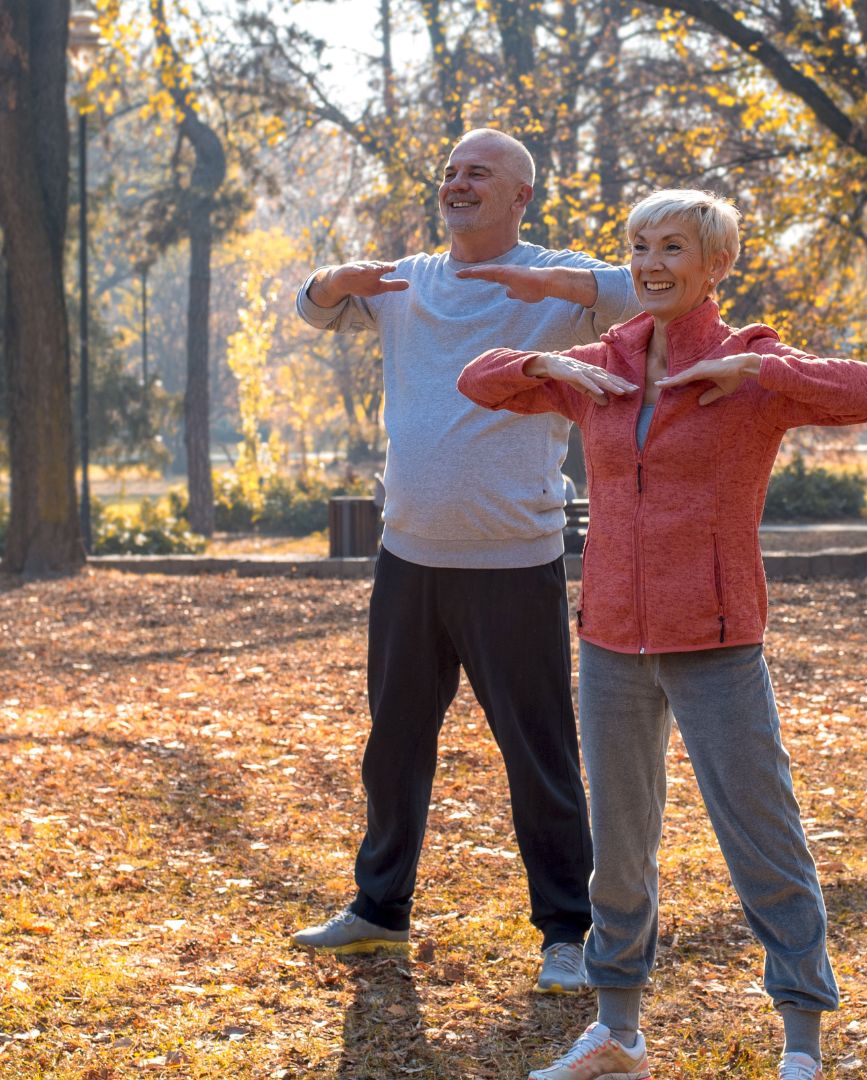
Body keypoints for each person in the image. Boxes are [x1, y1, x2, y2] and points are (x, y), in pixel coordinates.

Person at [458, 189, 867, 1080]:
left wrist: (760, 378)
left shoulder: (749, 365)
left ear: (714, 265)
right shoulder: (603, 365)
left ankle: (802, 1038)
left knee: (762, 837)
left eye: (672, 248)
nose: (652, 263)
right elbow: (479, 378)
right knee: (618, 846)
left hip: (717, 640)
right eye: (640, 247)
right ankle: (618, 1032)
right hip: (612, 640)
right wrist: (553, 369)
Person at [287, 128, 640, 995]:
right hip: (408, 557)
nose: (457, 182)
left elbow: (654, 291)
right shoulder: (408, 281)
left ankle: (568, 933)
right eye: (450, 172)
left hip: (514, 563)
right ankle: (378, 909)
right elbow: (312, 307)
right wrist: (334, 281)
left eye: (478, 172)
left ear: (521, 195)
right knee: (393, 745)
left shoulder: (564, 280)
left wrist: (550, 284)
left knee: (541, 756)